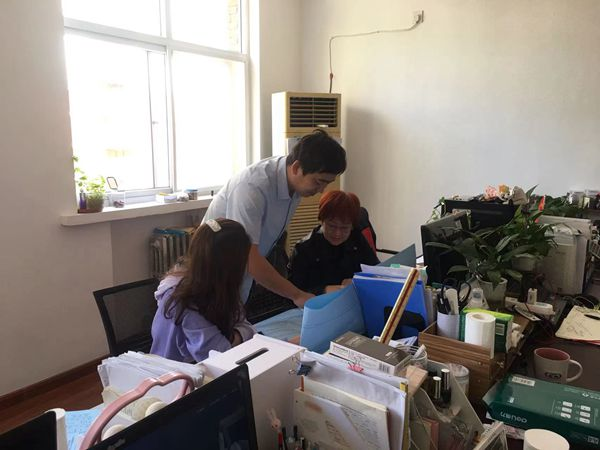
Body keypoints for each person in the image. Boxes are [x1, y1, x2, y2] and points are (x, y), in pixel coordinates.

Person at [202, 129, 347, 308]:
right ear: (296, 168)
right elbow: (248, 256)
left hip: (241, 273)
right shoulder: (252, 187)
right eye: (318, 182)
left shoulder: (295, 183)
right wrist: (297, 295)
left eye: (327, 183)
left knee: (236, 318)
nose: (321, 190)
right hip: (215, 271)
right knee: (214, 321)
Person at [150, 218, 256, 363]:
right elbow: (218, 355)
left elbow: (247, 327)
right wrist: (236, 337)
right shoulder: (182, 301)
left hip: (203, 367)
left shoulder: (217, 287)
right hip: (176, 373)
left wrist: (233, 337)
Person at [288, 190, 379, 295]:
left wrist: (357, 280)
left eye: (344, 228)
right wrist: (323, 290)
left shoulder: (356, 237)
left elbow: (375, 270)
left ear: (352, 225)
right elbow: (293, 294)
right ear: (322, 220)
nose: (337, 234)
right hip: (318, 302)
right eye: (331, 226)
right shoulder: (303, 249)